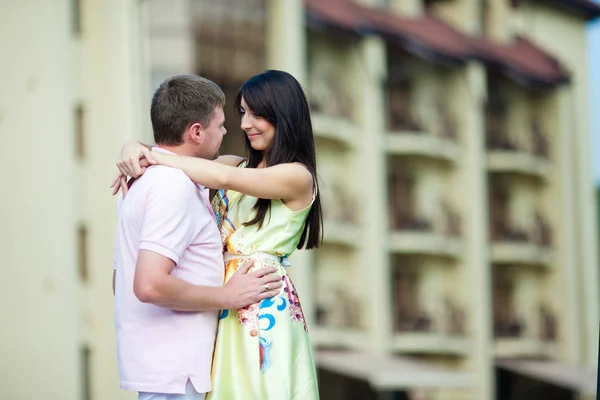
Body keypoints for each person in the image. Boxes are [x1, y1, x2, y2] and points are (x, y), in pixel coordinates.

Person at [114, 70, 322, 399]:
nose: (245, 124)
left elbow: (217, 177)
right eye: (242, 113)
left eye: (257, 114)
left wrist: (150, 157)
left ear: (283, 115)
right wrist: (132, 148)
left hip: (259, 304)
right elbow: (185, 156)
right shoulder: (235, 165)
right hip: (222, 299)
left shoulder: (297, 176)